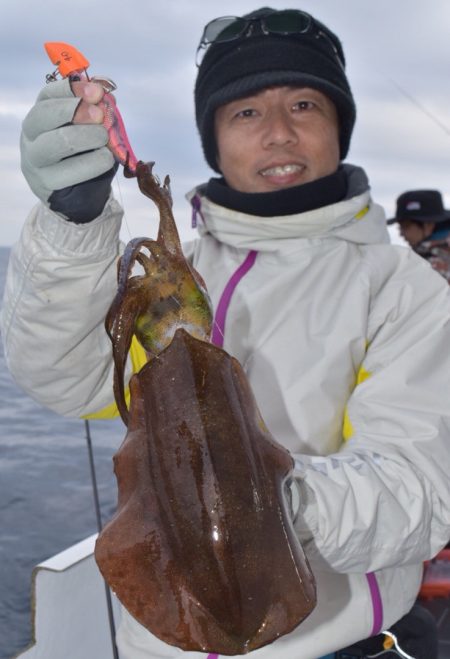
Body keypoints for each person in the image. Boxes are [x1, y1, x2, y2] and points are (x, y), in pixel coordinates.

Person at [1, 7, 449, 659]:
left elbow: (423, 485)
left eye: (303, 103)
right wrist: (73, 229)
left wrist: (270, 498)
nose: (277, 133)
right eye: (245, 112)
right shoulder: (175, 281)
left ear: (339, 126)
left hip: (332, 641)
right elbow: (66, 378)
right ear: (213, 136)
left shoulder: (406, 290)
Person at [388, 189, 450, 283]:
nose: (401, 233)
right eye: (399, 227)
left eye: (406, 226)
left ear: (428, 225)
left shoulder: (431, 265)